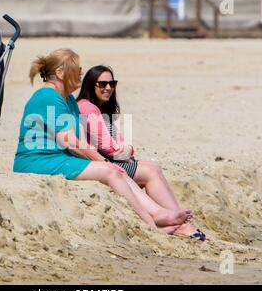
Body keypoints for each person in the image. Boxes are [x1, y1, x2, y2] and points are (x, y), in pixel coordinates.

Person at [13, 49, 192, 232]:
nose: (81, 74)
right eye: (78, 70)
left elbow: (82, 141)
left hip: (60, 158)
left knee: (117, 170)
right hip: (37, 161)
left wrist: (105, 162)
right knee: (111, 170)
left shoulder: (69, 101)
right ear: (60, 73)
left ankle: (159, 212)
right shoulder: (47, 96)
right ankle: (151, 225)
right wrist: (103, 161)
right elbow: (71, 142)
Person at [76, 65, 207, 241]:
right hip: (104, 164)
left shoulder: (101, 109)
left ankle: (177, 221)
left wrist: (125, 149)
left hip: (112, 161)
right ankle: (180, 224)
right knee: (151, 170)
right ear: (91, 85)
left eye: (111, 83)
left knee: (152, 168)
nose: (108, 88)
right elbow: (111, 148)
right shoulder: (87, 107)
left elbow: (122, 145)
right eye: (102, 84)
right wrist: (125, 150)